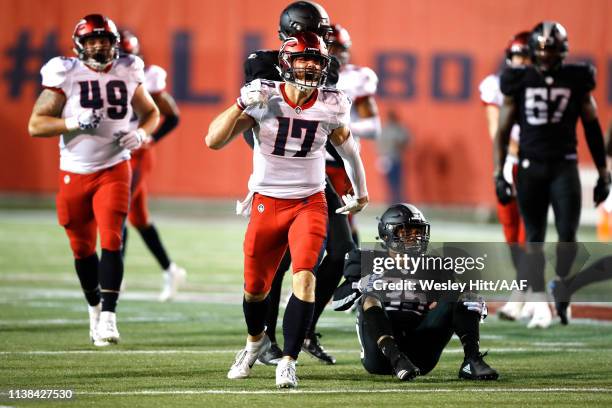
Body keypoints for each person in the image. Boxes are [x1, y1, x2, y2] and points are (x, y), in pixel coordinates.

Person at [205, 32, 368, 388]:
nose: (310, 67)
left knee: (305, 276)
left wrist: (362, 192)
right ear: (286, 63)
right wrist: (237, 104)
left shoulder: (331, 103)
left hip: (310, 202)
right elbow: (213, 140)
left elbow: (350, 150)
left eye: (316, 61)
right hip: (266, 202)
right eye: (302, 60)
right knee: (255, 288)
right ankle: (253, 344)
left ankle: (289, 361)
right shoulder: (265, 97)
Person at [27, 14, 159, 345]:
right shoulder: (65, 72)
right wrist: (72, 121)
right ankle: (95, 311)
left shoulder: (129, 68)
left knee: (113, 238)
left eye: (104, 40)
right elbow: (36, 124)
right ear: (80, 45)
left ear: (114, 44)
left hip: (115, 166)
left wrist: (141, 134)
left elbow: (152, 113)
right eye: (91, 40)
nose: (98, 45)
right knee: (82, 248)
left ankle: (111, 317)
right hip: (75, 171)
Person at [243, 0, 354, 366]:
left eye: (322, 34)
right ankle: (268, 340)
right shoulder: (261, 65)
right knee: (277, 262)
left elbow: (330, 125)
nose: (322, 42)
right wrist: (262, 169)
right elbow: (253, 122)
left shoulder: (325, 66)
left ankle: (304, 327)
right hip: (274, 177)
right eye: (317, 32)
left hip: (313, 176)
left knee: (341, 251)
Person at [494, 21, 611, 328]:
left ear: (563, 50)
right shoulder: (518, 80)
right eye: (542, 48)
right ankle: (537, 298)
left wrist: (603, 172)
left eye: (552, 48)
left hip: (564, 166)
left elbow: (592, 127)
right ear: (533, 50)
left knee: (568, 236)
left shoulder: (576, 79)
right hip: (531, 167)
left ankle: (562, 284)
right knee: (533, 238)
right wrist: (499, 171)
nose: (546, 55)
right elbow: (502, 130)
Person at [332, 204, 498, 381]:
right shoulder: (366, 259)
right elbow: (338, 302)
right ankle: (397, 359)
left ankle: (471, 361)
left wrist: (474, 308)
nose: (415, 237)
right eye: (407, 232)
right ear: (388, 233)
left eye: (418, 232)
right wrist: (360, 285)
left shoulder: (434, 266)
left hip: (420, 352)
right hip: (379, 355)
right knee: (370, 297)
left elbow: (451, 303)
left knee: (462, 294)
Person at [118, 29, 186, 302]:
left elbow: (172, 116)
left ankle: (114, 277)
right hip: (113, 152)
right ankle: (171, 270)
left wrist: (150, 138)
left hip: (136, 154)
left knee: (118, 208)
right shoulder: (99, 78)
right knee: (138, 218)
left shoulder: (147, 78)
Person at [479, 31, 530, 323]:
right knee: (511, 232)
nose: (522, 62)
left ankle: (522, 293)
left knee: (528, 232)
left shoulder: (541, 85)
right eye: (518, 56)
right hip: (509, 163)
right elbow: (496, 130)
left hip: (535, 165)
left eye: (527, 56)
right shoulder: (496, 85)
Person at [327, 23, 381, 245]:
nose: (337, 53)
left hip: (341, 161)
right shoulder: (303, 74)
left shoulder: (357, 78)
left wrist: (339, 127)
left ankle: (352, 269)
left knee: (344, 222)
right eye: (332, 47)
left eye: (340, 47)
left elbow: (373, 127)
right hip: (308, 159)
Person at [377, 109, 410, 204]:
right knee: (389, 183)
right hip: (386, 159)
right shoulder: (385, 128)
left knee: (398, 182)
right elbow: (379, 144)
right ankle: (391, 201)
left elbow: (406, 141)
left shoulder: (399, 128)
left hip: (396, 158)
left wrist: (399, 144)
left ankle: (398, 201)